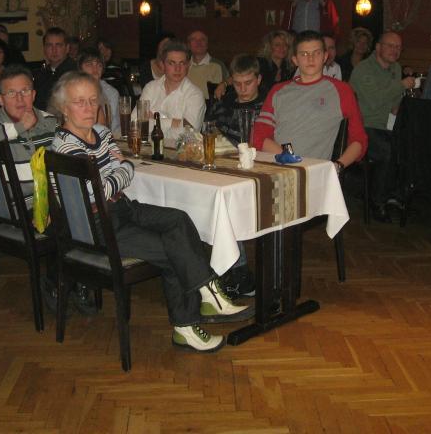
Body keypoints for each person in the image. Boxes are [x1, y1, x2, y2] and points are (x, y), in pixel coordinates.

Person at [49, 71, 253, 352]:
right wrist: (123, 168)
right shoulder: (65, 148)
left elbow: (114, 176)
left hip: (121, 208)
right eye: (79, 101)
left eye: (93, 100)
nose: (88, 107)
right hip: (94, 225)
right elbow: (102, 188)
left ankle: (207, 294)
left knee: (178, 219)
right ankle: (188, 325)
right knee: (174, 251)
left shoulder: (101, 133)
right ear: (64, 108)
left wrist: (119, 170)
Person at [253, 30, 367, 169]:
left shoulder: (341, 90)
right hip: (275, 164)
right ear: (295, 60)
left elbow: (359, 139)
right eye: (304, 54)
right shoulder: (278, 91)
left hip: (313, 171)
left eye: (316, 53)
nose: (310, 59)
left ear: (325, 56)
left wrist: (337, 166)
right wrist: (291, 159)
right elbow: (258, 136)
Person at [207, 54, 265, 298]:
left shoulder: (267, 107)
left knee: (224, 201)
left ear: (258, 80)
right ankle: (219, 268)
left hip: (256, 173)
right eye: (238, 83)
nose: (242, 89)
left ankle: (238, 271)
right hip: (224, 170)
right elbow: (207, 132)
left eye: (248, 83)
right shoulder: (224, 103)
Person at [350, 31, 416, 222]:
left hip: (386, 125)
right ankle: (377, 202)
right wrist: (401, 85)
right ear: (378, 47)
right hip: (363, 126)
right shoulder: (363, 69)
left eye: (398, 47)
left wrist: (402, 101)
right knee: (387, 151)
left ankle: (396, 195)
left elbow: (394, 102)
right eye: (390, 46)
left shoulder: (396, 68)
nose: (395, 50)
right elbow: (374, 101)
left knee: (411, 143)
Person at [0, 64, 58, 202]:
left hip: (51, 203)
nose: (19, 99)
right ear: (0, 100)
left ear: (33, 95)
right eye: (11, 93)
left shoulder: (50, 122)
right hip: (15, 207)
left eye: (25, 91)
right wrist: (19, 127)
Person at [135, 41, 205, 141]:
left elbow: (188, 135)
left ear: (188, 66)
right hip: (147, 148)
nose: (177, 69)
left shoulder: (195, 95)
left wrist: (153, 120)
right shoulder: (150, 88)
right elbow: (135, 124)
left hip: (179, 151)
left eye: (182, 63)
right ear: (163, 65)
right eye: (172, 63)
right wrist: (173, 122)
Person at [32, 27, 77, 111]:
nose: (54, 50)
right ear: (44, 49)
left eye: (58, 45)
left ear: (67, 48)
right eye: (49, 45)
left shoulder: (75, 74)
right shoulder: (40, 75)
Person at [77, 47, 120, 134]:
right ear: (80, 69)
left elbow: (116, 128)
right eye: (89, 64)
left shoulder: (111, 93)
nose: (95, 69)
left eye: (99, 65)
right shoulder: (71, 91)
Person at [186, 30, 229, 100]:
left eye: (202, 39)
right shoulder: (183, 66)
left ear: (207, 45)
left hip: (211, 105)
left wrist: (224, 83)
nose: (198, 42)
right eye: (194, 39)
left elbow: (232, 80)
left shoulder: (218, 65)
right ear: (188, 45)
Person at [257, 30, 293, 94]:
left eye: (285, 44)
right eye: (277, 45)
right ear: (269, 47)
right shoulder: (260, 65)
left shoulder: (289, 67)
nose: (282, 48)